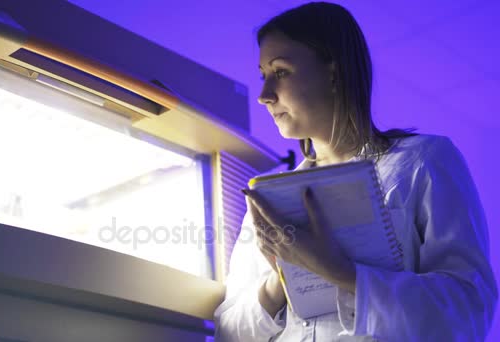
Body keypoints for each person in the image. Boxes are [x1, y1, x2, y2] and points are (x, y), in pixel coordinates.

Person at [213, 2, 497, 341]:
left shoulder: (423, 161)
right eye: (263, 76)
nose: (264, 95)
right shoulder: (268, 198)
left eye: (281, 72)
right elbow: (228, 332)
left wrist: (342, 273)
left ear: (333, 73)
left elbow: (469, 313)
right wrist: (281, 277)